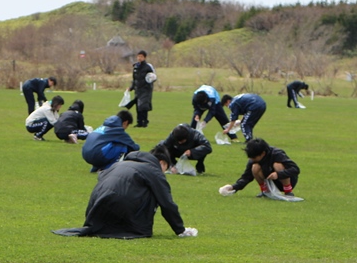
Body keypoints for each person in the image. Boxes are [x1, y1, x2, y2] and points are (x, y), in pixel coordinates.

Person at [53, 145, 196, 239]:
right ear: (161, 162)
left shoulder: (118, 165)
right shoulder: (153, 171)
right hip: (123, 212)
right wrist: (180, 230)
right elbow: (167, 204)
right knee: (152, 193)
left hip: (96, 211)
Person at [218, 138, 300, 198]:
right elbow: (246, 177)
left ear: (263, 153)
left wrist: (278, 174)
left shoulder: (277, 154)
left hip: (288, 181)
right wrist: (233, 187)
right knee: (255, 167)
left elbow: (295, 169)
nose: (252, 159)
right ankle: (265, 191)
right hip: (271, 182)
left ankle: (288, 192)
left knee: (277, 165)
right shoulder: (254, 160)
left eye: (254, 157)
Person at [129, 50, 155, 127]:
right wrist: (131, 87)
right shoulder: (135, 67)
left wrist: (148, 86)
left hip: (146, 90)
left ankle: (145, 122)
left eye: (141, 56)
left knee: (143, 106)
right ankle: (139, 122)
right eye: (138, 56)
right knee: (138, 106)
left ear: (144, 57)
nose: (139, 58)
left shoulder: (148, 67)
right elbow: (134, 79)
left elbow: (153, 77)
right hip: (138, 90)